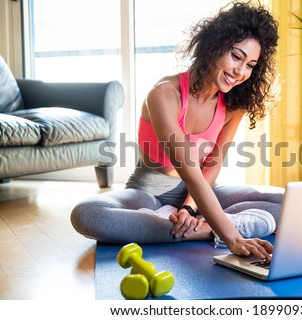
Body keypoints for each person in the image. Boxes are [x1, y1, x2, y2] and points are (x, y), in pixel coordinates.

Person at [71, 1, 283, 261]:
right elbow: (189, 172)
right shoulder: (164, 94)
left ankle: (199, 227)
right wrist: (232, 238)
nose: (240, 72)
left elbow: (211, 167)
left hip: (199, 193)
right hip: (150, 193)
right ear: (213, 46)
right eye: (236, 56)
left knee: (285, 202)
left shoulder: (233, 105)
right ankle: (207, 231)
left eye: (250, 65)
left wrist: (189, 208)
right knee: (87, 214)